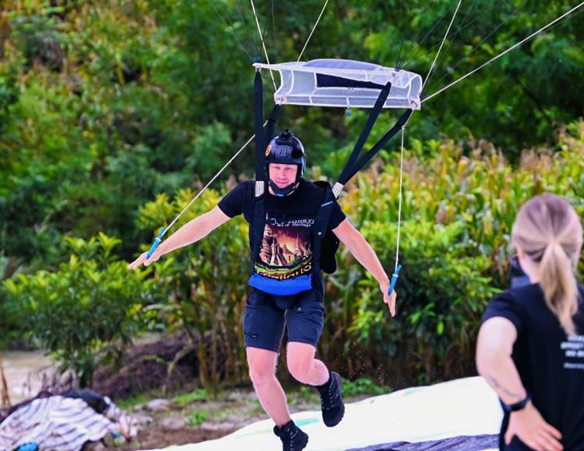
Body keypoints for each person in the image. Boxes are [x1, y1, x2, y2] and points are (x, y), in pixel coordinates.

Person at [129, 129, 397, 451]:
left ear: (299, 169)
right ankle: (289, 432)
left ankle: (328, 384)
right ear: (266, 166)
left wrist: (383, 280)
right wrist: (158, 251)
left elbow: (353, 238)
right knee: (258, 372)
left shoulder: (316, 198)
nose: (282, 175)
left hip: (303, 291)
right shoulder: (250, 194)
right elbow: (205, 223)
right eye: (276, 168)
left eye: (289, 169)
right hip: (263, 292)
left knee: (298, 366)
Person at [476, 194, 584, 451]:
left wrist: (521, 408)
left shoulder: (513, 306)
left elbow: (491, 353)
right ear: (578, 245)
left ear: (520, 251)